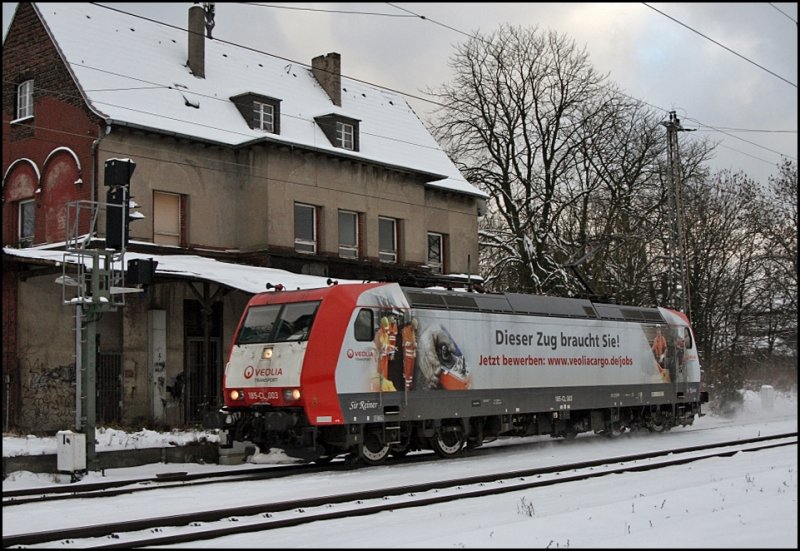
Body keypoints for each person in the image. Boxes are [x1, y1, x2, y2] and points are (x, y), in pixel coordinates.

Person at [401, 317, 418, 390]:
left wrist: (415, 347)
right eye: (414, 327)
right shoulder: (406, 330)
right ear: (412, 325)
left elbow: (413, 341)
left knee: (410, 373)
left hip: (412, 356)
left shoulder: (413, 331)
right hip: (407, 356)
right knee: (407, 372)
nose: (414, 329)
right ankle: (407, 387)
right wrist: (413, 344)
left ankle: (409, 385)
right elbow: (406, 343)